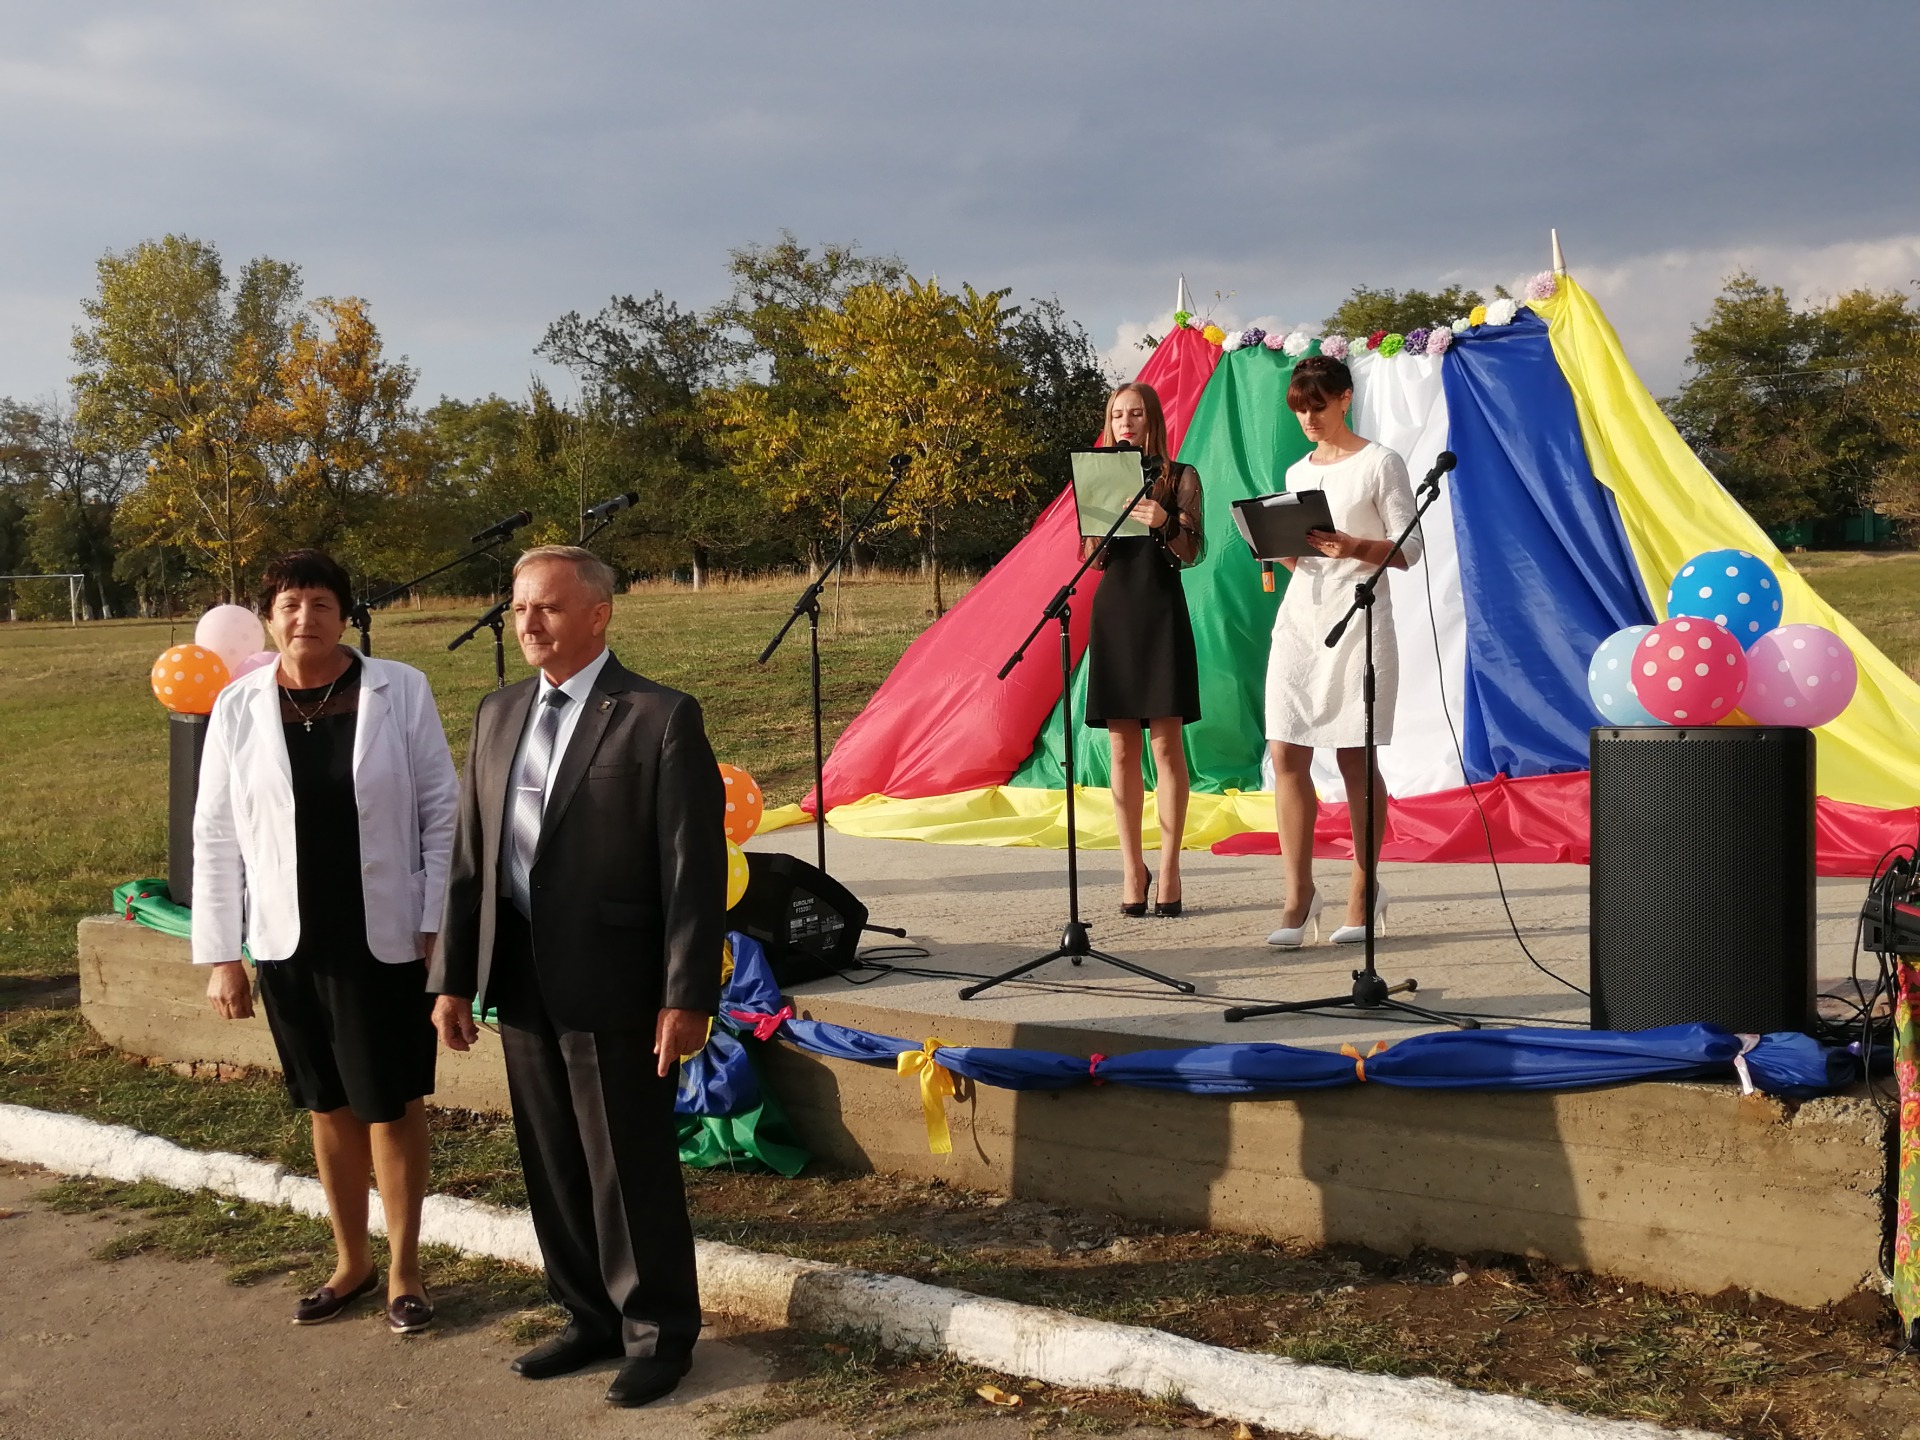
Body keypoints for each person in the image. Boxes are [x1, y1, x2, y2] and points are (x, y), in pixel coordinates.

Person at [429, 544, 726, 1410]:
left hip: (620, 981)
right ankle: (587, 1315)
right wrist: (452, 976)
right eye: (519, 607)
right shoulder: (497, 712)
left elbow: (690, 868)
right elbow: (469, 856)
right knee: (553, 1158)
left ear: (597, 615)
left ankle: (659, 1333)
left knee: (626, 1163)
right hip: (518, 973)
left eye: (547, 608)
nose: (527, 623)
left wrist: (686, 993)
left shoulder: (658, 717)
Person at [194, 549, 458, 1333]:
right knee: (328, 1104)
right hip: (286, 942)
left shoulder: (399, 689)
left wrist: (436, 921)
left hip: (385, 934)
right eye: (288, 605)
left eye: (319, 603)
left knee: (392, 1102)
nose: (303, 617)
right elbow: (215, 835)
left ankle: (405, 1273)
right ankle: (352, 1262)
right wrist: (222, 955)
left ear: (343, 614)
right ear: (268, 618)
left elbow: (441, 810)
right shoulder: (239, 706)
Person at [1263, 355, 1423, 948]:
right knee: (1285, 752)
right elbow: (1298, 558)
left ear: (1344, 398)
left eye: (1318, 405)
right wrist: (1274, 543)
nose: (1308, 418)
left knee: (1356, 758)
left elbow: (1411, 547)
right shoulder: (1296, 470)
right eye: (1299, 409)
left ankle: (1364, 884)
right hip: (1301, 619)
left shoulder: (1382, 462)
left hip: (1360, 615)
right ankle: (1299, 894)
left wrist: (1352, 544)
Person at [1081, 381, 1205, 917]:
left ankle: (1171, 868)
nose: (1125, 422)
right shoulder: (1099, 473)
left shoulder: (1180, 476)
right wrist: (1101, 522)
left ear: (1152, 418)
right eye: (1116, 415)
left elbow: (1193, 551)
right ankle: (1133, 866)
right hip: (1114, 611)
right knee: (1122, 748)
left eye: (1134, 414)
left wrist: (1166, 523)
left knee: (1165, 747)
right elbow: (1091, 557)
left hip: (1160, 610)